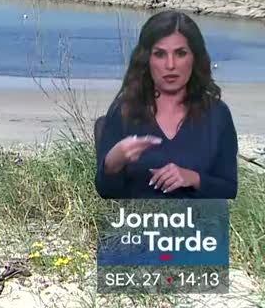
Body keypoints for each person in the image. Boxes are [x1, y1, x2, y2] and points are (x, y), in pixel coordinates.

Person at [95, 10, 238, 199]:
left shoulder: (218, 114)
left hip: (198, 226)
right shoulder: (124, 111)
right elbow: (106, 192)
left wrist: (194, 178)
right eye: (160, 54)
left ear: (194, 58)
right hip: (139, 227)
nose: (170, 65)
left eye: (180, 53)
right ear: (147, 60)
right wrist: (112, 163)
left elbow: (229, 189)